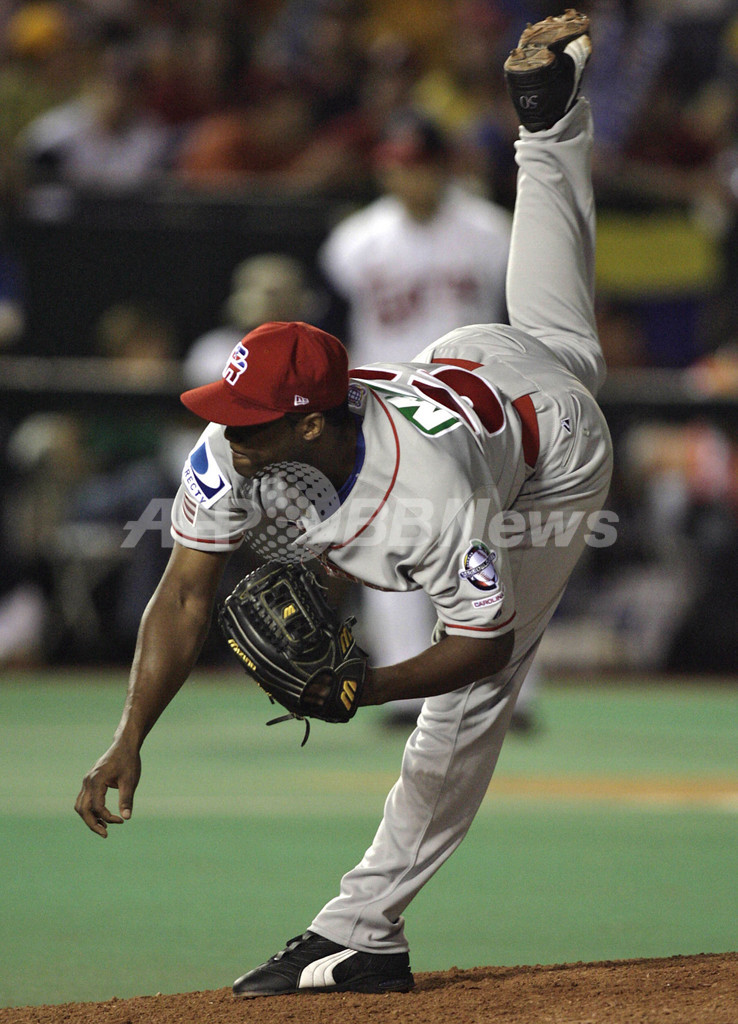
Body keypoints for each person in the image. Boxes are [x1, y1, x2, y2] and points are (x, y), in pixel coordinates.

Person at [75, 10, 612, 999]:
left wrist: (367, 685)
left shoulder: (427, 494)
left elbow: (485, 642)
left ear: (312, 423)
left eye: (251, 421)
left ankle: (363, 931)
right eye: (227, 412)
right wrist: (128, 735)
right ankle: (548, 126)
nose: (227, 433)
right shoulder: (242, 440)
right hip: (470, 358)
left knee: (469, 702)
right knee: (558, 336)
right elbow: (186, 592)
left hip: (553, 452)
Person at [318, 107, 520, 728]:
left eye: (419, 165)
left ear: (443, 167)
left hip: (474, 406)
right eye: (398, 166)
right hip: (386, 412)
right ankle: (408, 693)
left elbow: (521, 319)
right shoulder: (354, 241)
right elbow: (334, 330)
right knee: (390, 546)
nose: (409, 178)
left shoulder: (492, 231)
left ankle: (511, 694)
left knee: (496, 545)